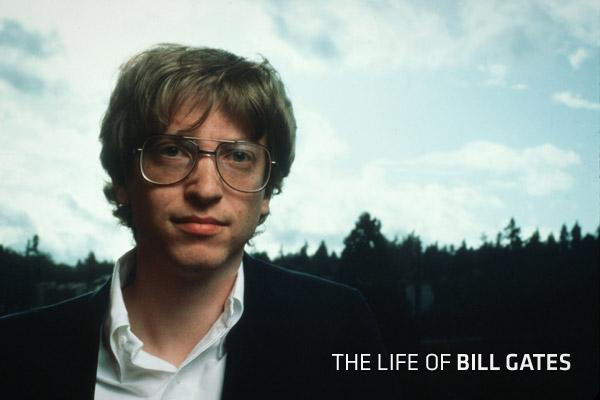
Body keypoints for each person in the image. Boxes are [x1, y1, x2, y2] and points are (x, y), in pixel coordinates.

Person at [0, 44, 395, 399]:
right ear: (123, 179)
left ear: (267, 192)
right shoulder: (14, 351)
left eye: (239, 156)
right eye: (173, 151)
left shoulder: (337, 328)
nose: (205, 189)